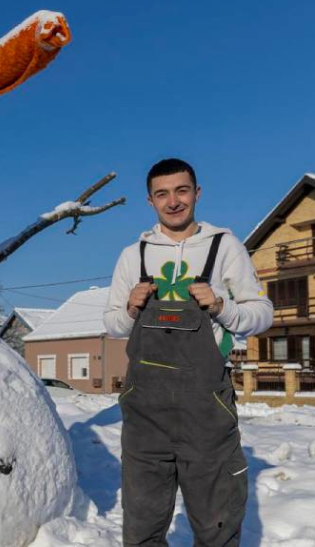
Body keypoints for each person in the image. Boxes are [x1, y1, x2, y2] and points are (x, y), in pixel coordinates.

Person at [104, 158, 272, 546]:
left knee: (216, 520)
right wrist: (130, 308)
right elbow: (113, 326)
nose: (173, 201)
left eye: (181, 190)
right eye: (162, 193)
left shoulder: (224, 246)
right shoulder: (135, 255)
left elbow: (262, 314)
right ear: (150, 201)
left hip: (206, 407)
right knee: (142, 523)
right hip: (145, 411)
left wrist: (221, 307)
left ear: (197, 193)